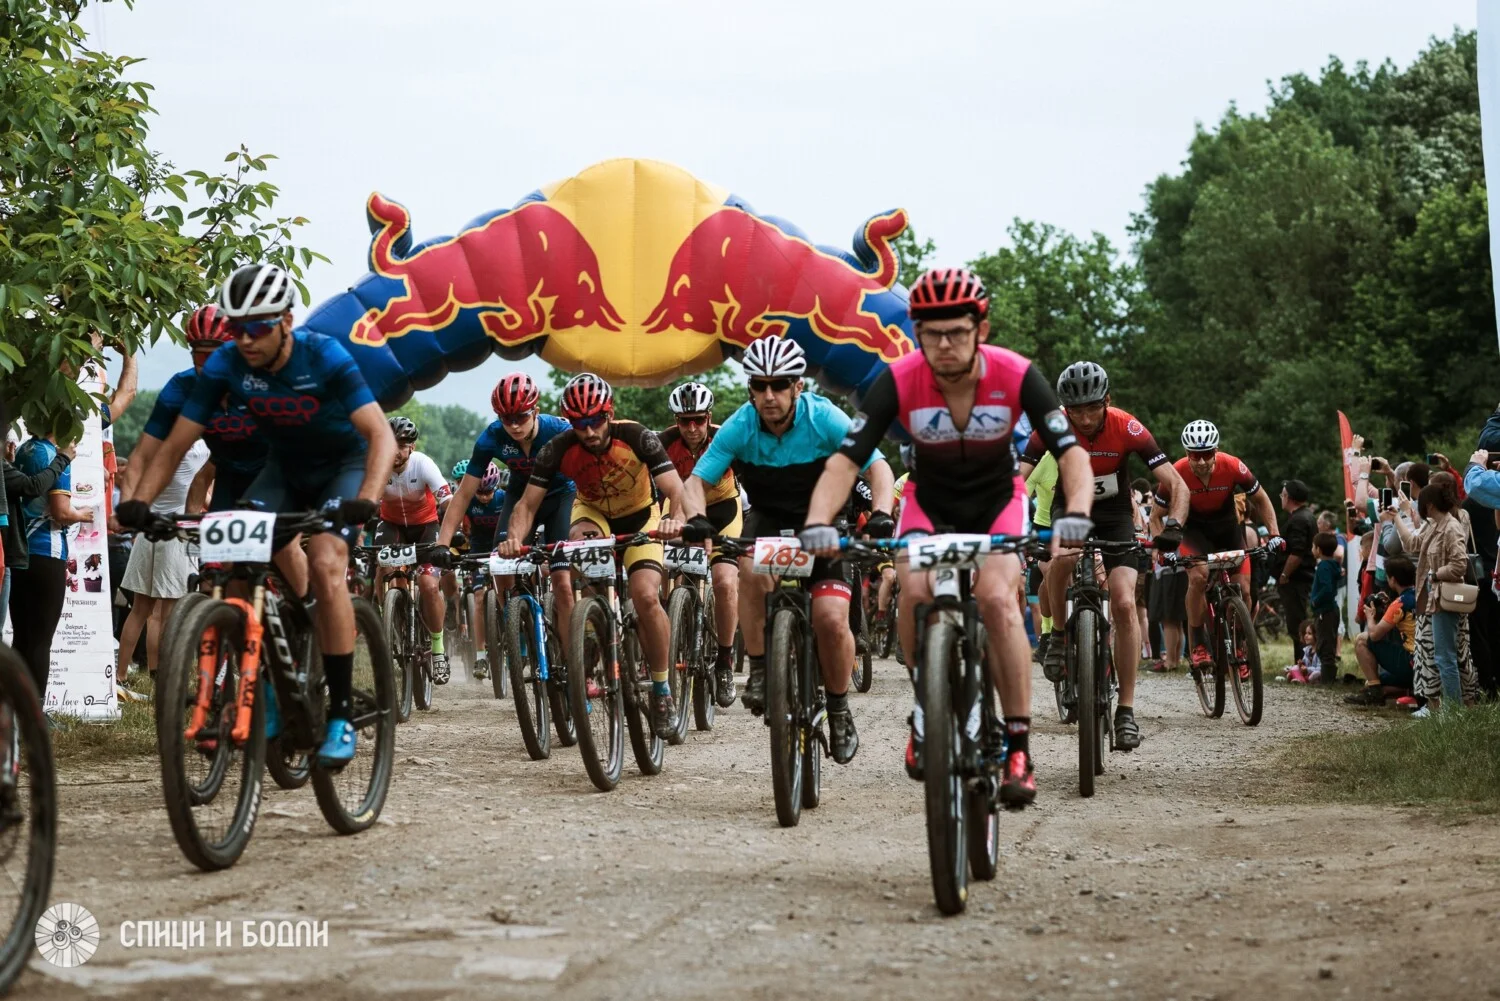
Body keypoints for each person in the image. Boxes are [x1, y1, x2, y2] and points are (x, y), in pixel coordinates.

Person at [798, 268, 1089, 799]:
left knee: (999, 601)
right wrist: (818, 520)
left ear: (981, 327)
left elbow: (1071, 454)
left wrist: (1076, 515)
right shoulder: (900, 378)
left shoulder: (1017, 374)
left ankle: (1018, 746)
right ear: (917, 332)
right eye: (932, 333)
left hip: (997, 504)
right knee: (913, 592)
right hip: (928, 505)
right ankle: (924, 709)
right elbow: (846, 462)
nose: (945, 344)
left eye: (957, 331)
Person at [117, 263, 396, 767]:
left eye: (258, 326)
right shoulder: (226, 363)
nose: (245, 339)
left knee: (329, 561)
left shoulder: (324, 355)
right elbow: (175, 444)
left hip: (343, 466)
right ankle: (263, 689)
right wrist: (139, 503)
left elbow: (381, 435)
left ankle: (338, 714)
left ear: (286, 320)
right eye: (237, 326)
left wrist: (369, 498)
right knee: (239, 572)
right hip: (283, 470)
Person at [679, 335, 894, 765]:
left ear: (799, 386)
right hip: (769, 520)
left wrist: (884, 512)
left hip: (822, 524)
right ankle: (759, 668)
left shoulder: (824, 417)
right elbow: (694, 484)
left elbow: (878, 465)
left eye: (780, 385)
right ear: (751, 389)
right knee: (749, 571)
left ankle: (838, 708)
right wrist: (696, 518)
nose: (769, 395)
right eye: (760, 386)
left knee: (832, 621)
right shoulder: (742, 424)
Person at [498, 373, 686, 738]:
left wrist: (675, 519)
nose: (589, 431)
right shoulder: (558, 447)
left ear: (609, 413)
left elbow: (675, 489)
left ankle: (662, 689)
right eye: (579, 423)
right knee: (582, 550)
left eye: (596, 420)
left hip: (641, 514)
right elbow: (526, 504)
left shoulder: (635, 436)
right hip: (593, 513)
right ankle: (594, 627)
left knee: (647, 595)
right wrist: (513, 539)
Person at [1020, 361, 1188, 752]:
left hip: (1115, 517)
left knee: (1126, 603)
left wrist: (1175, 524)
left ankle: (1126, 711)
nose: (1083, 417)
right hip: (1071, 510)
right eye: (1074, 410)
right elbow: (1018, 476)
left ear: (1107, 401)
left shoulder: (1127, 427)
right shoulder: (1051, 425)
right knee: (1061, 559)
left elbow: (1175, 483)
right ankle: (1059, 635)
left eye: (1091, 408)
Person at [437, 372, 576, 662]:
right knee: (501, 565)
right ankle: (516, 626)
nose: (513, 425)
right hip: (519, 495)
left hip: (560, 495)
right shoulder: (491, 437)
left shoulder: (559, 429)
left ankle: (571, 661)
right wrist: (442, 543)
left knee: (562, 581)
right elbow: (463, 495)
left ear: (535, 411)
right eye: (505, 418)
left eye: (521, 417)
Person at [1154, 421, 1282, 675]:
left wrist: (1276, 534)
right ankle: (1198, 644)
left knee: (1245, 590)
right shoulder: (1176, 471)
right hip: (1194, 532)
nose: (1200, 461)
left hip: (1228, 531)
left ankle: (1240, 647)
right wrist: (1163, 548)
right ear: (1186, 453)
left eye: (1206, 454)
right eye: (1194, 455)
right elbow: (1155, 516)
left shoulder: (1233, 465)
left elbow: (1262, 498)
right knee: (1198, 577)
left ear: (1216, 450)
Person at [658, 380, 741, 707]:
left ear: (709, 417)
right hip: (679, 506)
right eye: (684, 421)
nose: (692, 428)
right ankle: (668, 623)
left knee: (724, 582)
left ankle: (724, 660)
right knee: (660, 568)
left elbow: (752, 475)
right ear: (676, 421)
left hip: (722, 509)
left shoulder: (727, 438)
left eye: (699, 420)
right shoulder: (664, 443)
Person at [113, 438, 209, 697]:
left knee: (139, 610)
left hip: (147, 533)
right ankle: (161, 677)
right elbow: (204, 494)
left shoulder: (157, 447)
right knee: (165, 615)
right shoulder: (201, 450)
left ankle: (121, 674)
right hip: (176, 533)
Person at [10, 417, 96, 697]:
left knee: (21, 636)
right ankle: (36, 714)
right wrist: (82, 515)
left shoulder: (23, 449)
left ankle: (14, 707)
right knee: (40, 640)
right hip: (47, 551)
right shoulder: (57, 457)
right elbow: (61, 511)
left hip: (19, 550)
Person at [375, 416, 455, 682]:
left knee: (429, 585)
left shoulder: (423, 464)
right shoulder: (378, 464)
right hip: (392, 525)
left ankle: (438, 650)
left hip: (425, 527)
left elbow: (447, 500)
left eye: (402, 444)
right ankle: (389, 621)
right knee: (384, 566)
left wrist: (454, 533)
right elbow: (364, 500)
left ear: (412, 446)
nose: (395, 450)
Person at [1394, 482, 1473, 713]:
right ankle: (1452, 709)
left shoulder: (1451, 527)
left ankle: (1452, 712)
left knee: (1445, 658)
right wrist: (1395, 518)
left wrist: (1435, 574)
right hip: (1433, 600)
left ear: (1429, 505)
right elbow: (1412, 544)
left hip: (1445, 599)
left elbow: (1460, 564)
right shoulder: (1434, 525)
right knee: (1444, 657)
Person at [1345, 554, 1417, 705]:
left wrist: (1370, 617)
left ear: (1392, 580)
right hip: (1425, 662)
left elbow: (1375, 635)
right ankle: (1406, 690)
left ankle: (1374, 693)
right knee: (1379, 681)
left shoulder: (1399, 603)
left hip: (1411, 661)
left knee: (1362, 640)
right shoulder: (1421, 595)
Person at [1275, 479, 1318, 667]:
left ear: (1289, 498)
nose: (1281, 499)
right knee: (1296, 621)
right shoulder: (1304, 516)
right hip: (1299, 578)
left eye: (1282, 495)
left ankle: (1302, 664)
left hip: (1296, 579)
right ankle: (1302, 662)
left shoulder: (1300, 519)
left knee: (1296, 623)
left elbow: (1297, 553)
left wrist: (1284, 574)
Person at [1308, 532, 1342, 680]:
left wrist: (1316, 600)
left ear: (1319, 550)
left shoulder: (1323, 567)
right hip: (1330, 610)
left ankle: (1328, 677)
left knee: (1324, 644)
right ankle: (1327, 674)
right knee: (1328, 641)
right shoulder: (1333, 565)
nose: (1312, 549)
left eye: (1313, 547)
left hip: (1325, 611)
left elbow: (1327, 588)